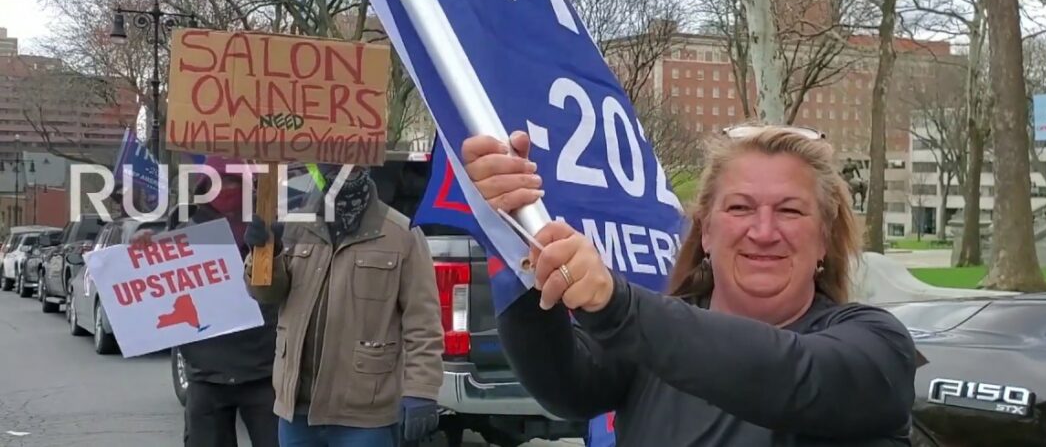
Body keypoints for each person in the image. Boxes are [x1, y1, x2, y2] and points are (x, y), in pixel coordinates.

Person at [460, 124, 918, 446]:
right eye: (739, 208)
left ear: (823, 238)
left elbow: (791, 376)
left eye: (791, 211)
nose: (763, 231)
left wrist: (616, 305)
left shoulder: (878, 347)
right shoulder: (649, 343)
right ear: (706, 232)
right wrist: (512, 228)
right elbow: (563, 386)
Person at [242, 163, 445, 447]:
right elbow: (266, 294)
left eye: (351, 165)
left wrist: (421, 389)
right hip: (297, 412)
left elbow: (423, 323)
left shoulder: (403, 235)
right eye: (334, 165)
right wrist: (264, 254)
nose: (342, 172)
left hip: (363, 415)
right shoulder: (293, 226)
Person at [130, 156, 279, 447]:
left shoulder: (273, 230)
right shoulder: (186, 237)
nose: (225, 189)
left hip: (263, 371)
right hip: (206, 376)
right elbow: (153, 293)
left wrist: (275, 248)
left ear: (249, 185)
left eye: (234, 181)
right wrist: (143, 249)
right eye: (218, 181)